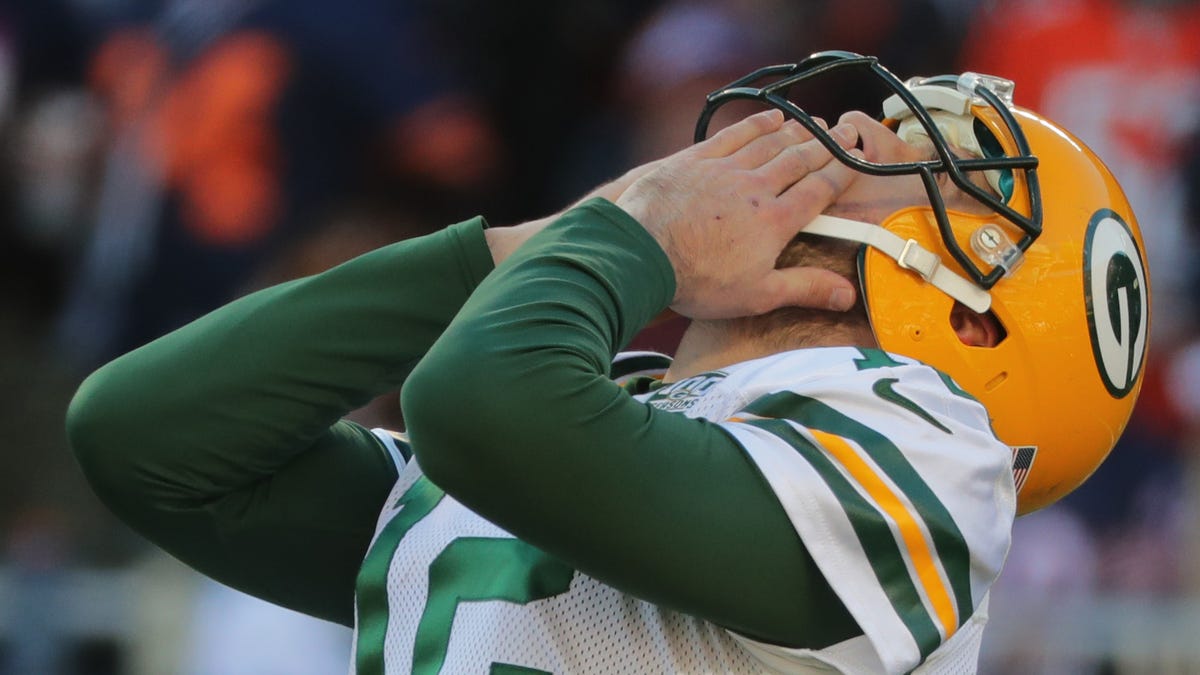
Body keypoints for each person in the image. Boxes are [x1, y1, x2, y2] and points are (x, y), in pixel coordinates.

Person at [66, 52, 1149, 673]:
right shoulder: (599, 411)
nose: (858, 125)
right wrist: (561, 236)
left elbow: (486, 408)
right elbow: (150, 439)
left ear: (976, 322)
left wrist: (635, 237)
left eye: (931, 160)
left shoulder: (930, 449)